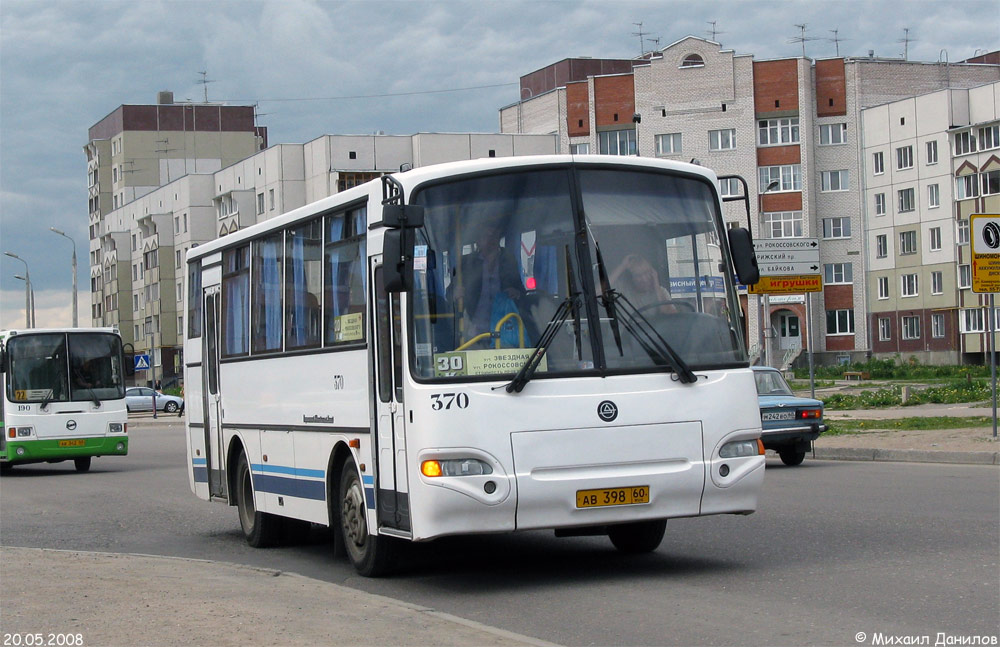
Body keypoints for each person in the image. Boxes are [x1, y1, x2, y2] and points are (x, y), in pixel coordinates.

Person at [452, 220, 525, 340]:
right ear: (478, 241)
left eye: (494, 236)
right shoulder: (466, 263)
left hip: (505, 331)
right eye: (486, 236)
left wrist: (517, 293)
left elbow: (522, 292)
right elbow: (449, 293)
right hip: (473, 333)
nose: (490, 240)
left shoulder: (508, 261)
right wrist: (455, 294)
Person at [609, 253, 675, 312]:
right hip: (627, 326)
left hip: (650, 326)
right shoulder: (622, 290)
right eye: (638, 275)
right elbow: (599, 292)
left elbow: (671, 317)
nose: (644, 279)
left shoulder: (661, 292)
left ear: (653, 273)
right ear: (631, 278)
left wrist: (657, 288)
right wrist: (622, 266)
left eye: (647, 272)